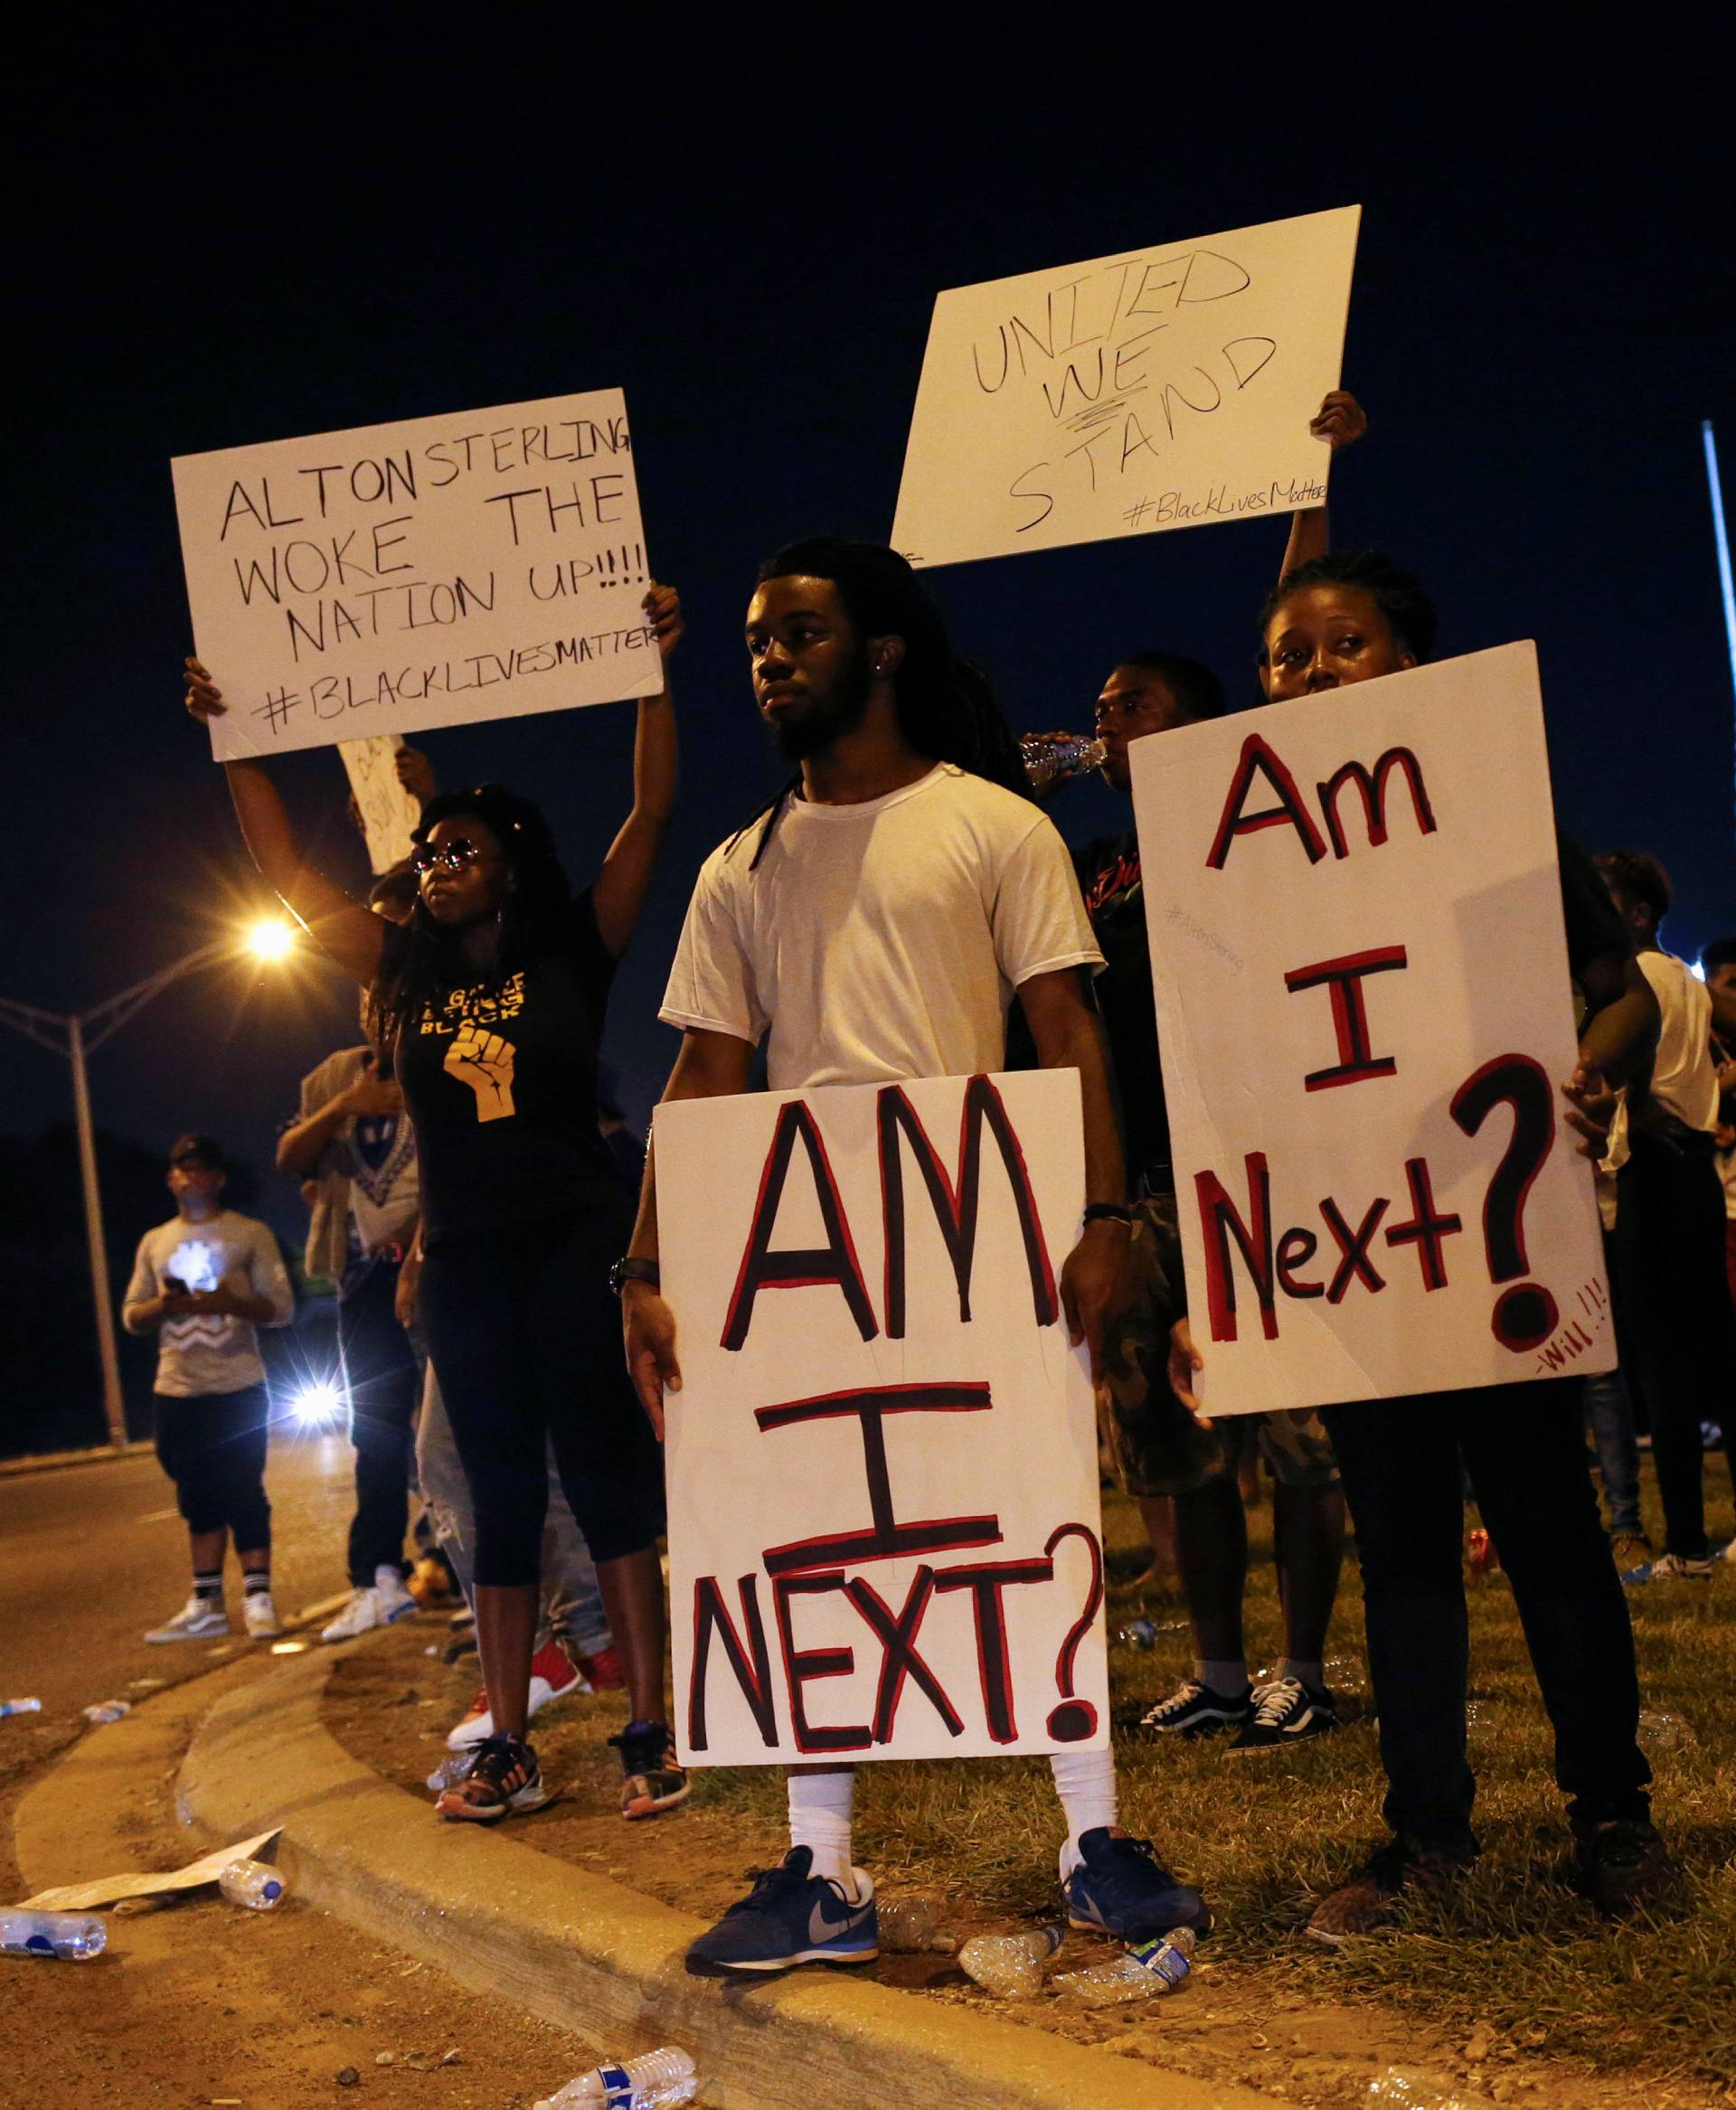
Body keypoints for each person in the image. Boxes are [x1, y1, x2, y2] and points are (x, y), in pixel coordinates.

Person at [622, 536, 1211, 1977]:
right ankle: (817, 1871)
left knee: (1020, 1520)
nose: (768, 660)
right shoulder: (735, 866)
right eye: (756, 640)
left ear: (883, 650)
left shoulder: (994, 827)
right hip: (805, 1262)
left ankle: (1093, 1837)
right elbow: (705, 1072)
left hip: (975, 1233)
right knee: (811, 1545)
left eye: (799, 635)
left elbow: (1066, 1030)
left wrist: (1108, 1216)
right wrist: (642, 1261)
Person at [1171, 549, 1672, 1936]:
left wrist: (1593, 1068)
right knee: (1399, 1545)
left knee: (1550, 1530)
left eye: (1345, 644)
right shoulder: (1232, 857)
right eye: (1285, 654)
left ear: (1408, 664)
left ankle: (1613, 1816)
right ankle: (1427, 1836)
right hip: (1357, 1252)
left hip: (1489, 1236)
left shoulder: (1489, 805)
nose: (1312, 673)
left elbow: (1616, 991)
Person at [182, 582, 683, 1825]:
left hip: (574, 1238)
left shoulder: (572, 946)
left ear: (510, 869)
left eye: (466, 849)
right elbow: (289, 873)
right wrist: (233, 729)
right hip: (463, 1258)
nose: (443, 863)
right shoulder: (399, 967)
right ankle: (509, 1743)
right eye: (433, 849)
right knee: (497, 1487)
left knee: (606, 1475)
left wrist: (652, 670)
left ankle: (651, 1728)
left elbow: (650, 809)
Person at [1593, 853, 1735, 1580]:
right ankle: (1716, 1537)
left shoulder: (1634, 983)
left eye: (1607, 901)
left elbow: (1638, 1092)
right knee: (1715, 1352)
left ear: (1639, 914)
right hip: (1699, 1178)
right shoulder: (1689, 981)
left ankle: (1684, 1542)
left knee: (1661, 1365)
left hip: (1653, 1173)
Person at [123, 1134, 295, 1643]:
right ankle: (206, 1603)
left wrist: (230, 1301)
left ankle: (258, 1597)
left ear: (218, 1178)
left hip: (238, 1383)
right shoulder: (156, 1240)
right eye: (180, 1169)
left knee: (243, 1487)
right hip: (177, 1387)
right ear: (170, 1179)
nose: (189, 1177)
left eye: (199, 1169)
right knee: (195, 1492)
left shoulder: (249, 1234)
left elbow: (281, 1308)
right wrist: (166, 1306)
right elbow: (132, 1315)